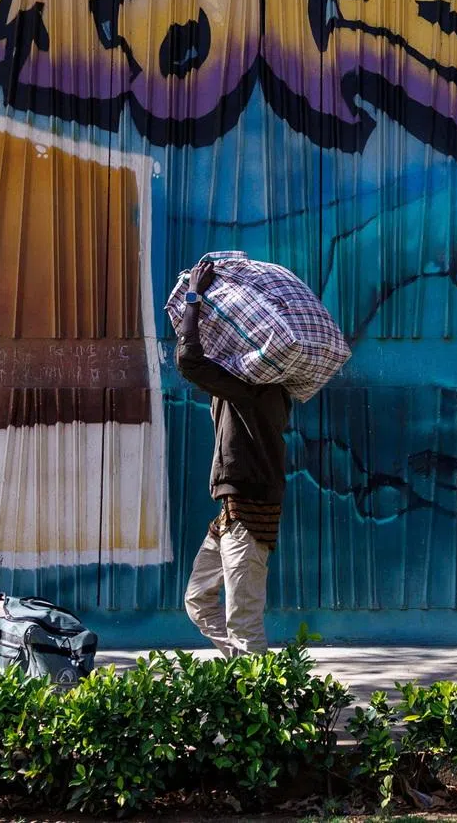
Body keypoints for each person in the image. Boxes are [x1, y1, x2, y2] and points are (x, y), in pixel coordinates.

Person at [176, 259, 290, 656]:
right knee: (198, 600)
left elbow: (189, 360)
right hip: (231, 514)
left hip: (248, 516)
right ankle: (242, 670)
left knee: (243, 622)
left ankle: (253, 682)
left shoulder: (253, 385)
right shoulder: (257, 386)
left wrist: (194, 297)